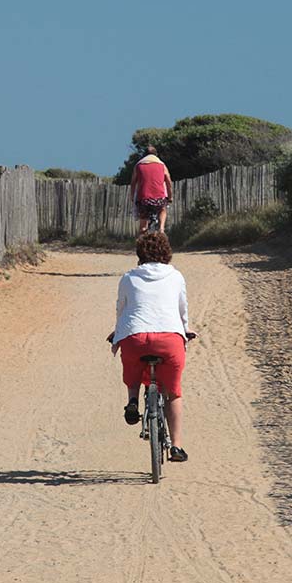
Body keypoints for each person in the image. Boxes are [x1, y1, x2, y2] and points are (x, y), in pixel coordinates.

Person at [109, 231, 191, 462]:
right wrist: (185, 331)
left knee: (133, 372)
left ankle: (133, 401)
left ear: (139, 254)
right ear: (167, 253)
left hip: (135, 337)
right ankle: (176, 446)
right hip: (169, 339)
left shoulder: (128, 278)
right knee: (173, 392)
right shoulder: (176, 277)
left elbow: (121, 309)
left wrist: (118, 333)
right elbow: (182, 310)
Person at [129, 145, 173, 233]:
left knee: (143, 220)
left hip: (143, 199)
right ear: (156, 154)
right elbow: (168, 181)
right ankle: (161, 229)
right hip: (159, 198)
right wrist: (170, 197)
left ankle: (143, 231)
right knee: (162, 209)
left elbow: (133, 182)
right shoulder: (162, 165)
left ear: (144, 155)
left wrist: (132, 196)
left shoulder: (138, 165)